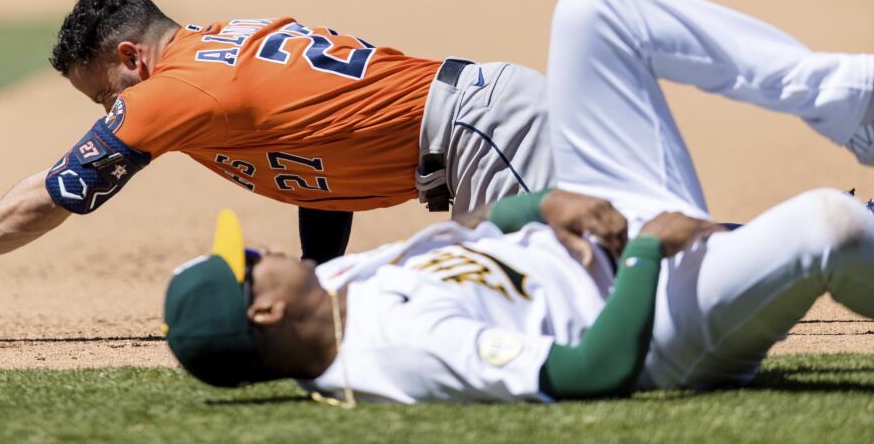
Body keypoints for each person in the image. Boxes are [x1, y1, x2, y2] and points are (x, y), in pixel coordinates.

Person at [0, 0, 873, 277]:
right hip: (483, 124)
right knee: (636, 263)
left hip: (487, 136)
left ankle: (842, 232)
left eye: (105, 95)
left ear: (130, 58)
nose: (115, 116)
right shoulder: (225, 46)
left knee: (647, 279)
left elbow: (59, 191)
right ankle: (843, 230)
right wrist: (318, 271)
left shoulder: (170, 87)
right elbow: (314, 175)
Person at [163, 188, 874, 402]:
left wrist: (540, 205)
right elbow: (590, 372)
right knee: (827, 225)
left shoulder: (337, 284)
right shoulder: (401, 352)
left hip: (596, 237)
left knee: (597, 7)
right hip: (657, 319)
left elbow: (461, 231)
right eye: (250, 263)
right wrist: (649, 253)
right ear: (264, 311)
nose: (262, 248)